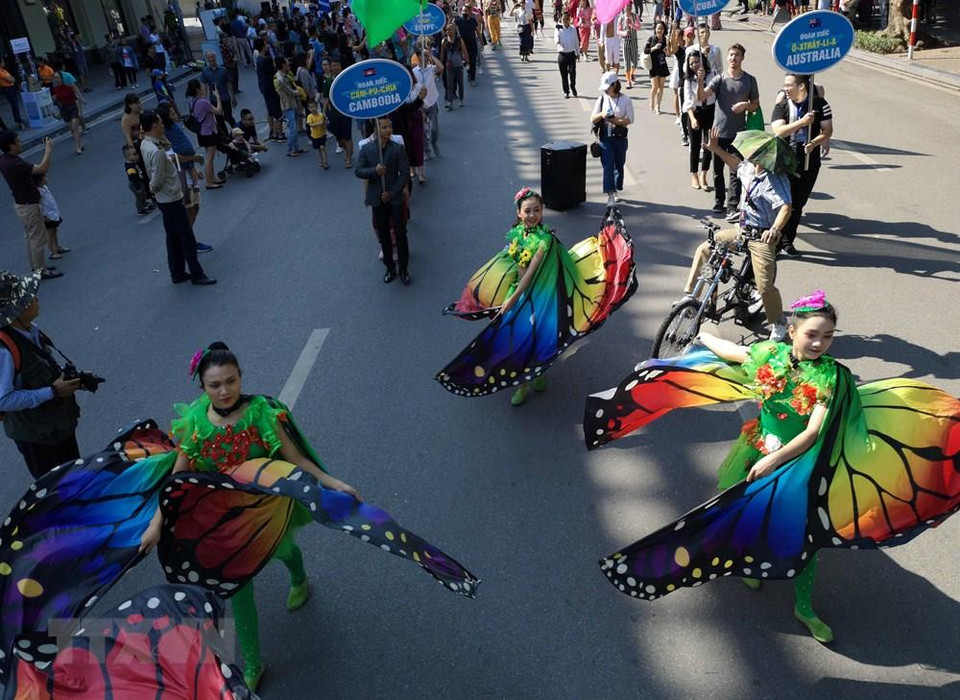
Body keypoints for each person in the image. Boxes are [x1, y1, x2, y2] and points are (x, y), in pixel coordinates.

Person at [586, 292, 960, 644]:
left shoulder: (831, 377)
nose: (820, 343)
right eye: (812, 334)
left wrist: (774, 460)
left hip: (799, 462)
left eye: (828, 336)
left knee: (803, 536)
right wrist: (705, 335)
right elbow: (734, 352)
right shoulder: (771, 354)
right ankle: (744, 564)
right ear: (792, 331)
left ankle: (804, 608)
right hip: (756, 446)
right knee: (734, 505)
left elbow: (813, 433)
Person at [437, 188, 637, 406]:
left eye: (536, 210)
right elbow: (507, 259)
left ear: (542, 211)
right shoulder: (518, 233)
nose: (532, 215)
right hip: (518, 292)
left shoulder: (544, 240)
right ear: (519, 213)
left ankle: (527, 381)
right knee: (520, 341)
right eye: (527, 211)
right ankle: (531, 379)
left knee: (530, 340)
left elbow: (530, 274)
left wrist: (512, 300)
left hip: (536, 297)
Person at [684, 127, 791, 340]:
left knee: (764, 285)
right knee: (707, 250)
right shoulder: (749, 169)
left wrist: (774, 230)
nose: (749, 152)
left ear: (764, 156)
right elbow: (735, 164)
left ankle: (779, 321)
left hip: (761, 237)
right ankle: (692, 296)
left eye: (755, 151)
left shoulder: (775, 179)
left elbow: (786, 207)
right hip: (741, 231)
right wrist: (715, 149)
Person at [0, 270, 83, 478]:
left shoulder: (29, 329)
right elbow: (4, 400)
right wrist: (53, 391)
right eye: (28, 297)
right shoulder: (4, 350)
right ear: (17, 310)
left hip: (56, 427)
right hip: (37, 437)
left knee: (74, 479)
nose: (35, 298)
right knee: (56, 488)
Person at [139, 109, 217, 286]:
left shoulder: (147, 143)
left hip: (164, 199)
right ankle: (196, 273)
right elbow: (158, 178)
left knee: (172, 236)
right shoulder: (157, 151)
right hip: (171, 197)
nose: (163, 125)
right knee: (186, 237)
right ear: (154, 125)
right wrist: (153, 188)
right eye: (160, 123)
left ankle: (177, 271)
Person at [770, 73, 833, 257]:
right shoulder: (782, 105)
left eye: (789, 85)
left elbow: (828, 130)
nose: (785, 89)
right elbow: (778, 130)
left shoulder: (819, 104)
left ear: (802, 86)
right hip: (785, 161)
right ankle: (775, 241)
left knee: (798, 204)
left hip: (808, 161)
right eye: (785, 85)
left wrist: (814, 142)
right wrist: (802, 122)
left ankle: (788, 241)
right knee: (784, 202)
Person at [697, 43, 760, 220]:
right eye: (731, 54)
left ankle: (732, 207)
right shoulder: (720, 79)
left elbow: (755, 105)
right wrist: (700, 80)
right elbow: (701, 96)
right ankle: (719, 202)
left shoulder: (750, 80)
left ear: (742, 58)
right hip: (718, 133)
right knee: (717, 171)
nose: (734, 58)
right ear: (727, 57)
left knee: (736, 171)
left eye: (737, 55)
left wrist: (745, 105)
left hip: (739, 134)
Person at [355, 117, 411, 285]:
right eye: (384, 127)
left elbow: (405, 173)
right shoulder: (367, 149)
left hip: (394, 198)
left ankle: (403, 269)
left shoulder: (398, 148)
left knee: (400, 233)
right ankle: (390, 268)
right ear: (376, 129)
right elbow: (359, 171)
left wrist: (392, 193)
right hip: (377, 199)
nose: (388, 130)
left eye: (390, 126)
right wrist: (375, 171)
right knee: (384, 234)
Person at [0, 132, 58, 278]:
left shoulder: (5, 160)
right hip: (29, 205)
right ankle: (41, 271)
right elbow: (42, 168)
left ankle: (36, 266)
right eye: (18, 141)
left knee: (30, 237)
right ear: (11, 145)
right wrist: (48, 149)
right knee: (38, 239)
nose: (20, 143)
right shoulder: (15, 163)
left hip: (21, 203)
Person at [591, 72, 634, 208]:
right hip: (605, 137)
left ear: (615, 85)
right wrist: (602, 114)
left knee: (619, 165)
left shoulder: (626, 100)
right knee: (608, 165)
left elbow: (630, 119)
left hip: (620, 137)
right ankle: (610, 194)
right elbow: (593, 118)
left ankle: (616, 189)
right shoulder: (602, 99)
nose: (605, 90)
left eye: (607, 87)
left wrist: (615, 120)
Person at [683, 50, 716, 190]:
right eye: (691, 63)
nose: (694, 65)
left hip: (710, 111)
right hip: (695, 112)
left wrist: (702, 79)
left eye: (696, 62)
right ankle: (694, 175)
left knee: (709, 144)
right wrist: (692, 119)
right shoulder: (688, 79)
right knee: (695, 146)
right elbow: (688, 101)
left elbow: (714, 94)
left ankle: (704, 174)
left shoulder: (712, 75)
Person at [186, 79, 225, 189]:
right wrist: (218, 97)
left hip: (201, 132)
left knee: (209, 155)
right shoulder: (203, 102)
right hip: (209, 131)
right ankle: (208, 181)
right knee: (209, 158)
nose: (203, 87)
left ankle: (213, 178)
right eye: (201, 86)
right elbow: (218, 111)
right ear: (198, 89)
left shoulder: (192, 101)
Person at [413, 43, 443, 159]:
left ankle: (434, 142)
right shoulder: (414, 72)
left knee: (434, 129)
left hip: (432, 102)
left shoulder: (431, 69)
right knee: (422, 130)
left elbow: (441, 68)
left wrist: (431, 56)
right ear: (418, 57)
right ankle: (426, 150)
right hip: (421, 104)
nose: (425, 58)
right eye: (423, 55)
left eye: (426, 55)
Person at [322, 58, 353, 167]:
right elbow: (326, 98)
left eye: (338, 65)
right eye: (334, 65)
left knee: (348, 136)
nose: (336, 67)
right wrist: (323, 112)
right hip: (333, 114)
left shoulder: (346, 79)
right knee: (339, 139)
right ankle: (349, 150)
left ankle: (348, 158)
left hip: (346, 113)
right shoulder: (328, 82)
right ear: (331, 67)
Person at [35, 173, 69, 263]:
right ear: (39, 181)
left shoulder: (44, 187)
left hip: (53, 213)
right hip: (47, 215)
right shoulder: (38, 191)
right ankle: (52, 252)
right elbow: (39, 205)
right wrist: (43, 216)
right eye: (44, 178)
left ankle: (56, 247)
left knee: (54, 231)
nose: (47, 179)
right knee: (49, 234)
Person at [274, 57, 304, 157]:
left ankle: (296, 147)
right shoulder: (280, 79)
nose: (289, 65)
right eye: (287, 63)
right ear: (283, 65)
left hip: (292, 103)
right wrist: (299, 92)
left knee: (293, 126)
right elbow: (290, 91)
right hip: (287, 105)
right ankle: (290, 149)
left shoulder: (285, 75)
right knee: (293, 128)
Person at [50, 74, 84, 156]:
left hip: (72, 107)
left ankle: (78, 147)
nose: (56, 79)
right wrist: (54, 99)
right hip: (64, 109)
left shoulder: (68, 87)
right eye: (55, 78)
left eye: (58, 77)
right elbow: (56, 102)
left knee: (74, 127)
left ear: (61, 78)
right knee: (71, 129)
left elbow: (75, 99)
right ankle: (79, 143)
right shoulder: (54, 90)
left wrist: (79, 111)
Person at [201, 50, 236, 127]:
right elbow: (204, 86)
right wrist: (204, 99)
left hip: (225, 97)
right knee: (219, 119)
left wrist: (233, 97)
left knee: (228, 117)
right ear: (207, 59)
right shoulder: (205, 71)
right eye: (209, 57)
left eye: (212, 57)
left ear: (215, 57)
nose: (211, 59)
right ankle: (225, 134)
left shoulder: (223, 70)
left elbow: (229, 84)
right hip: (214, 99)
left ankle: (237, 130)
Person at [644, 21, 671, 114]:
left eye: (661, 29)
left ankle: (658, 106)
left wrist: (666, 51)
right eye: (658, 28)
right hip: (653, 65)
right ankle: (652, 101)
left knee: (661, 86)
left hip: (662, 64)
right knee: (655, 87)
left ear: (664, 30)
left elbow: (668, 53)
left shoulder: (665, 39)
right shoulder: (651, 38)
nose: (660, 30)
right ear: (655, 29)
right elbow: (645, 50)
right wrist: (654, 48)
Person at [440, 24, 469, 110]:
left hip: (459, 65)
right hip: (449, 66)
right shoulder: (444, 41)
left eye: (450, 29)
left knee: (460, 83)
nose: (448, 31)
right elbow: (442, 53)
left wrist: (468, 62)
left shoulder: (459, 40)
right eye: (447, 30)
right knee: (449, 84)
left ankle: (461, 99)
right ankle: (450, 102)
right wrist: (441, 65)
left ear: (454, 30)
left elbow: (464, 51)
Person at [123, 144, 154, 215]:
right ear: (129, 157)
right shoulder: (130, 168)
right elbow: (133, 178)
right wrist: (138, 188)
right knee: (139, 197)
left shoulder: (133, 162)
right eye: (135, 154)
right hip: (135, 184)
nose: (137, 155)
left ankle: (145, 204)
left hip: (139, 181)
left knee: (143, 194)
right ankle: (140, 209)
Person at [456, 5, 481, 86]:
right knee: (465, 61)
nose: (464, 12)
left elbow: (477, 31)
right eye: (463, 11)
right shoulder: (458, 20)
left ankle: (472, 78)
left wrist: (481, 40)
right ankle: (468, 71)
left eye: (466, 11)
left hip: (472, 44)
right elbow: (451, 26)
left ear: (470, 12)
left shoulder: (473, 21)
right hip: (462, 45)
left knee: (473, 61)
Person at [555, 12, 579, 98]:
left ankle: (573, 86)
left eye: (567, 19)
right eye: (564, 19)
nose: (565, 21)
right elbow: (556, 38)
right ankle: (566, 91)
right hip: (562, 55)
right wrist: (558, 40)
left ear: (570, 20)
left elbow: (576, 41)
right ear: (561, 19)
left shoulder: (573, 29)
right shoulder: (558, 28)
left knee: (572, 73)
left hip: (571, 54)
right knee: (564, 74)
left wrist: (578, 52)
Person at [617, 5, 640, 89]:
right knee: (627, 62)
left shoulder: (635, 16)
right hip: (625, 41)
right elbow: (618, 31)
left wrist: (632, 24)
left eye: (630, 6)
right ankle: (628, 80)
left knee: (635, 62)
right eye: (627, 6)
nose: (628, 8)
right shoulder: (621, 18)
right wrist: (624, 33)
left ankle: (632, 73)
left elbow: (638, 27)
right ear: (624, 7)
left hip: (633, 40)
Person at [0, 59, 25, 130]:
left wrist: (11, 79)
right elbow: (10, 79)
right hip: (7, 89)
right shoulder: (1, 72)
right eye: (3, 61)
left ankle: (17, 120)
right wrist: (11, 79)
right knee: (14, 105)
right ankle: (19, 122)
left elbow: (12, 78)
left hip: (12, 88)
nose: (4, 62)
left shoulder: (4, 70)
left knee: (16, 104)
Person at [305, 100, 328, 169]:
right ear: (308, 109)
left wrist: (325, 121)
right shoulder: (310, 117)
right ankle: (322, 160)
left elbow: (325, 124)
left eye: (314, 107)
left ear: (317, 106)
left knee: (322, 147)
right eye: (311, 107)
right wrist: (319, 123)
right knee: (318, 149)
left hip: (322, 134)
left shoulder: (321, 115)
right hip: (314, 136)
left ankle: (325, 162)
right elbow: (310, 124)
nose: (313, 109)